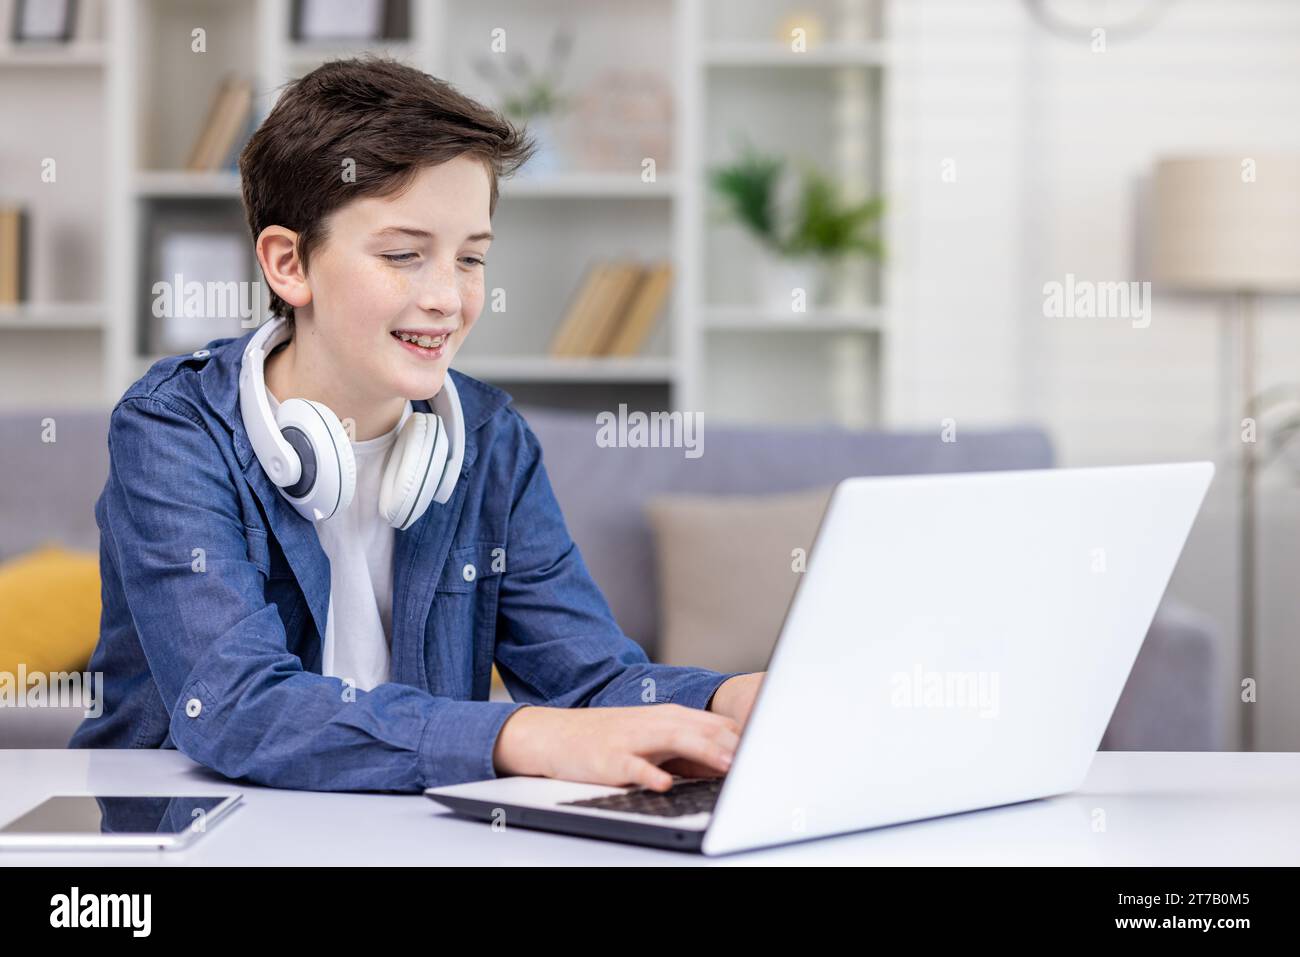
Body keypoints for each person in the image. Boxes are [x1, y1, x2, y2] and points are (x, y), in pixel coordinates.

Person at [69, 56, 764, 794]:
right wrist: (519, 734)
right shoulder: (174, 430)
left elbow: (590, 677)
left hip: (408, 825)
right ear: (288, 263)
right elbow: (235, 707)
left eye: (470, 258)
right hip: (185, 823)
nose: (447, 298)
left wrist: (728, 700)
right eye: (404, 255)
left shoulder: (491, 441)